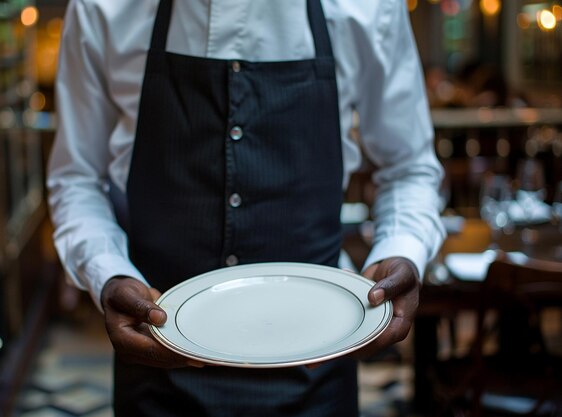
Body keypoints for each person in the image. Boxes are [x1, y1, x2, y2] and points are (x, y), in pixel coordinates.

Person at [46, 0, 446, 415]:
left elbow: (409, 168)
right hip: (156, 370)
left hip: (318, 375)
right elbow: (76, 178)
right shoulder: (103, 8)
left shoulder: (368, 8)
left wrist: (400, 250)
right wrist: (109, 274)